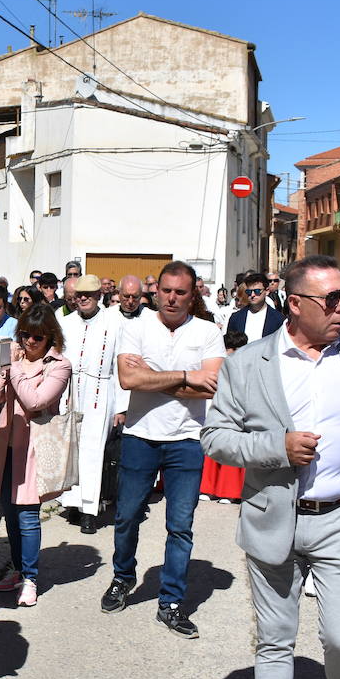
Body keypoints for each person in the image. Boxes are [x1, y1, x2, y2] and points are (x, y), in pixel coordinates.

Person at [202, 255, 340, 679]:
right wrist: (275, 447)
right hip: (273, 518)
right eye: (332, 299)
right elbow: (216, 438)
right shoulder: (248, 362)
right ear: (297, 305)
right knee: (274, 642)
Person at [104, 261, 225, 637]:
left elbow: (212, 387)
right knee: (127, 516)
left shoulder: (207, 332)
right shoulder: (135, 327)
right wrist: (187, 376)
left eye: (180, 292)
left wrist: (152, 376)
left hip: (187, 439)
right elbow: (128, 378)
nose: (172, 298)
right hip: (140, 435)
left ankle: (171, 601)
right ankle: (123, 577)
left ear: (193, 294)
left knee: (180, 526)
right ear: (155, 291)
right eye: (166, 291)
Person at [0, 304, 70, 607]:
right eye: (24, 335)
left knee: (28, 516)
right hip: (6, 444)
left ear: (50, 337)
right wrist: (5, 369)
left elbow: (35, 402)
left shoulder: (59, 365)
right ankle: (19, 570)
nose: (30, 342)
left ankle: (31, 578)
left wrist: (15, 369)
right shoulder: (16, 362)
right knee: (10, 514)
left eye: (37, 336)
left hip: (33, 448)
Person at [58, 275, 128, 534]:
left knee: (93, 450)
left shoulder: (114, 322)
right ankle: (73, 503)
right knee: (71, 448)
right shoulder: (65, 322)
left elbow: (120, 365)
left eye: (89, 294)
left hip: (101, 392)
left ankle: (89, 509)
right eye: (79, 294)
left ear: (99, 295)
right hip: (70, 391)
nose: (84, 298)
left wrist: (121, 406)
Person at [198, 331, 248, 503]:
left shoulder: (246, 364)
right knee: (211, 447)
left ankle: (230, 491)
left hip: (237, 410)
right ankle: (208, 488)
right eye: (232, 349)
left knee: (231, 448)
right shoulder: (216, 363)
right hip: (213, 406)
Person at [228, 271, 284, 343]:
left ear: (267, 291)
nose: (252, 295)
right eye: (249, 292)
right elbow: (230, 344)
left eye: (257, 291)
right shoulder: (236, 318)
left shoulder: (278, 319)